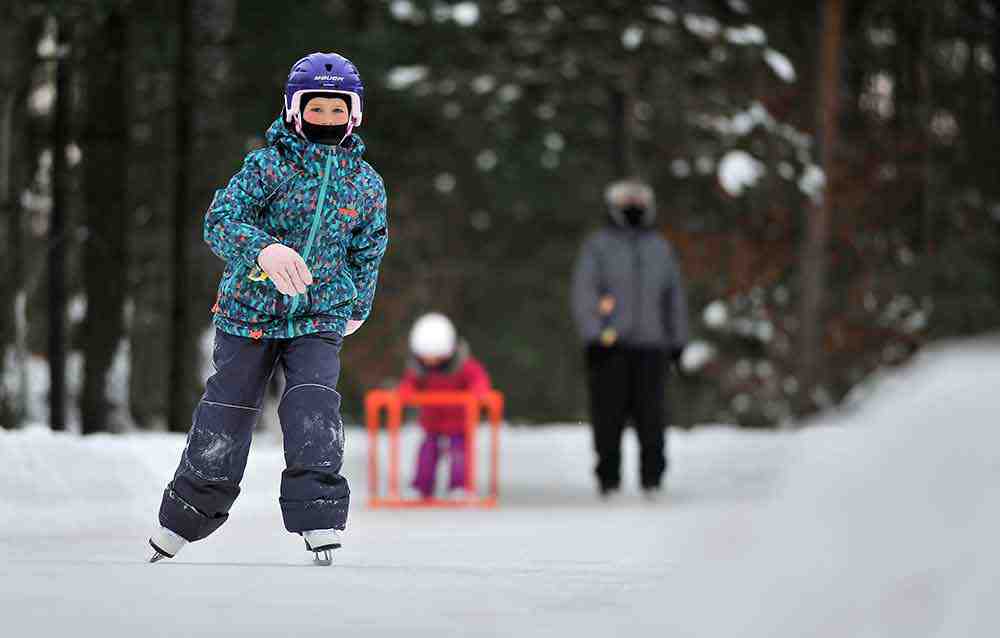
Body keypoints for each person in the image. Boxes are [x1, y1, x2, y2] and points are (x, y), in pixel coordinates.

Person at [148, 52, 388, 565]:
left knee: (313, 407)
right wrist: (264, 249)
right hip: (250, 313)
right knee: (227, 411)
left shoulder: (365, 183)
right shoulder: (267, 166)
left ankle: (319, 514)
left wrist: (357, 304)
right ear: (295, 110)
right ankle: (186, 517)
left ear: (355, 114)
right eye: (316, 109)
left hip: (319, 316)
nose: (327, 119)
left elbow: (369, 248)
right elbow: (220, 220)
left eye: (337, 110)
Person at [571, 178, 688, 499]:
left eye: (638, 204)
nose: (633, 209)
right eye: (626, 204)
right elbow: (585, 292)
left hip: (653, 348)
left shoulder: (660, 247)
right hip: (610, 348)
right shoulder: (598, 246)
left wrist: (677, 339)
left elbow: (673, 296)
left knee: (653, 417)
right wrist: (594, 336)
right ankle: (608, 480)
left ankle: (653, 480)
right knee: (607, 418)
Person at [397, 313, 491, 500]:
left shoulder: (464, 366)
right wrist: (406, 392)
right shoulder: (419, 369)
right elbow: (409, 383)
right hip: (432, 424)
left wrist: (478, 391)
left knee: (459, 454)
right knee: (427, 454)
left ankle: (460, 486)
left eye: (436, 357)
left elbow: (479, 379)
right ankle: (421, 487)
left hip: (459, 424)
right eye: (426, 357)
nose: (431, 361)